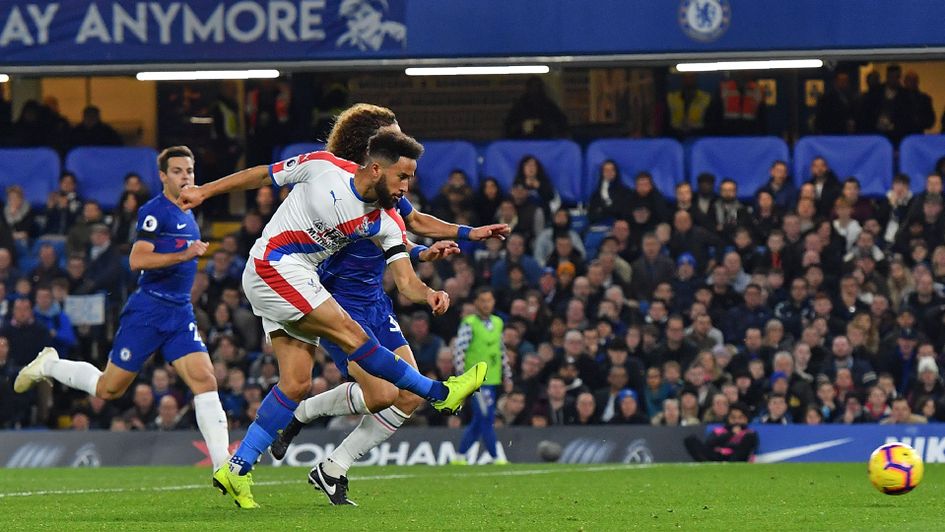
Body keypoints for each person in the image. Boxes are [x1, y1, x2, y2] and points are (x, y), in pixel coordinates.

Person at [179, 125, 487, 508]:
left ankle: (236, 468)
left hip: (297, 281)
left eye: (411, 177)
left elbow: (405, 278)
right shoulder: (323, 167)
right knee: (355, 338)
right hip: (272, 266)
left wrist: (430, 292)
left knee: (295, 384)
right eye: (402, 176)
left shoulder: (386, 222)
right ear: (376, 169)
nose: (407, 186)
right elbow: (262, 173)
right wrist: (204, 191)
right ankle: (439, 392)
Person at [268, 104, 508, 505]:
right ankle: (301, 414)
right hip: (337, 301)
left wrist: (461, 237)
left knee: (407, 396)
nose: (400, 140)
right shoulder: (338, 182)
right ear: (369, 146)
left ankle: (332, 467)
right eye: (392, 133)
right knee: (379, 396)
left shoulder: (390, 187)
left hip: (374, 300)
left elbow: (407, 225)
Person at [14, 147, 231, 489]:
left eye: (189, 170)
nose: (186, 176)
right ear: (162, 176)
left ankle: (224, 470)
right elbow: (137, 259)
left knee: (205, 379)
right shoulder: (153, 212)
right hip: (147, 311)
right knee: (109, 388)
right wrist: (185, 253)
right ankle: (50, 365)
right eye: (177, 171)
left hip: (178, 313)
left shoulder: (190, 213)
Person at [452, 287, 510, 465]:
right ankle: (496, 456)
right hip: (476, 380)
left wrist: (508, 375)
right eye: (483, 300)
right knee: (487, 417)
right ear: (476, 303)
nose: (486, 304)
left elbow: (500, 350)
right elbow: (459, 351)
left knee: (479, 419)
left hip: (493, 379)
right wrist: (462, 378)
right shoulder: (469, 323)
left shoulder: (498, 322)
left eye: (489, 300)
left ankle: (460, 456)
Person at [684, 402, 758, 462]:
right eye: (733, 417)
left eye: (740, 418)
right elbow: (708, 444)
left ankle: (731, 467)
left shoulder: (750, 434)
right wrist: (730, 434)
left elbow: (745, 450)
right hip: (715, 457)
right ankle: (707, 465)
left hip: (733, 459)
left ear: (746, 419)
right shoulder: (719, 431)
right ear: (728, 418)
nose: (736, 421)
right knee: (691, 439)